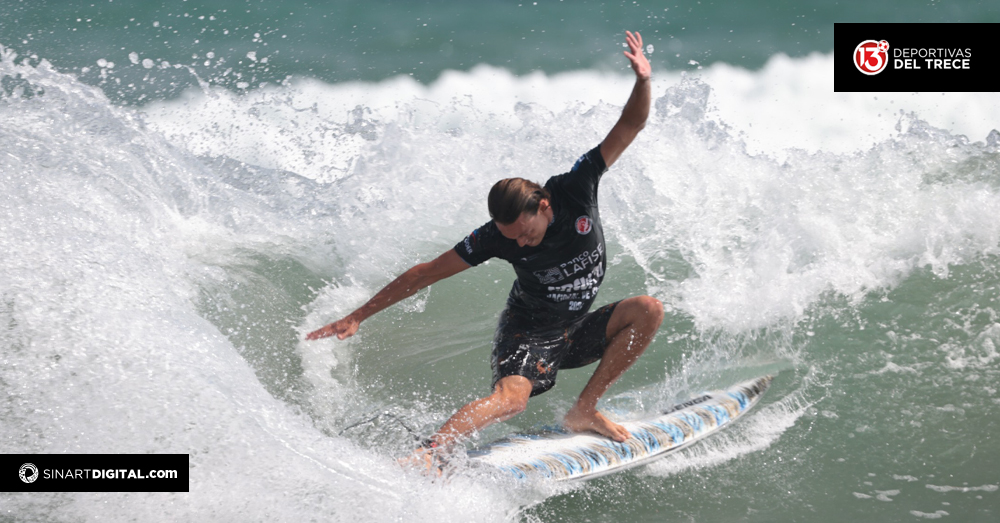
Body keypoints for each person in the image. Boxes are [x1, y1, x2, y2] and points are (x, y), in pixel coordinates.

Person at [306, 31, 663, 470]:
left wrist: (643, 81)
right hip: (527, 332)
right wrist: (357, 315)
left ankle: (584, 410)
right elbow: (425, 273)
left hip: (575, 328)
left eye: (524, 232)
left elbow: (630, 125)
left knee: (648, 309)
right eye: (508, 236)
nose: (518, 242)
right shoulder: (495, 237)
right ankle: (427, 455)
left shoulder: (576, 188)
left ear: (544, 205)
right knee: (512, 401)